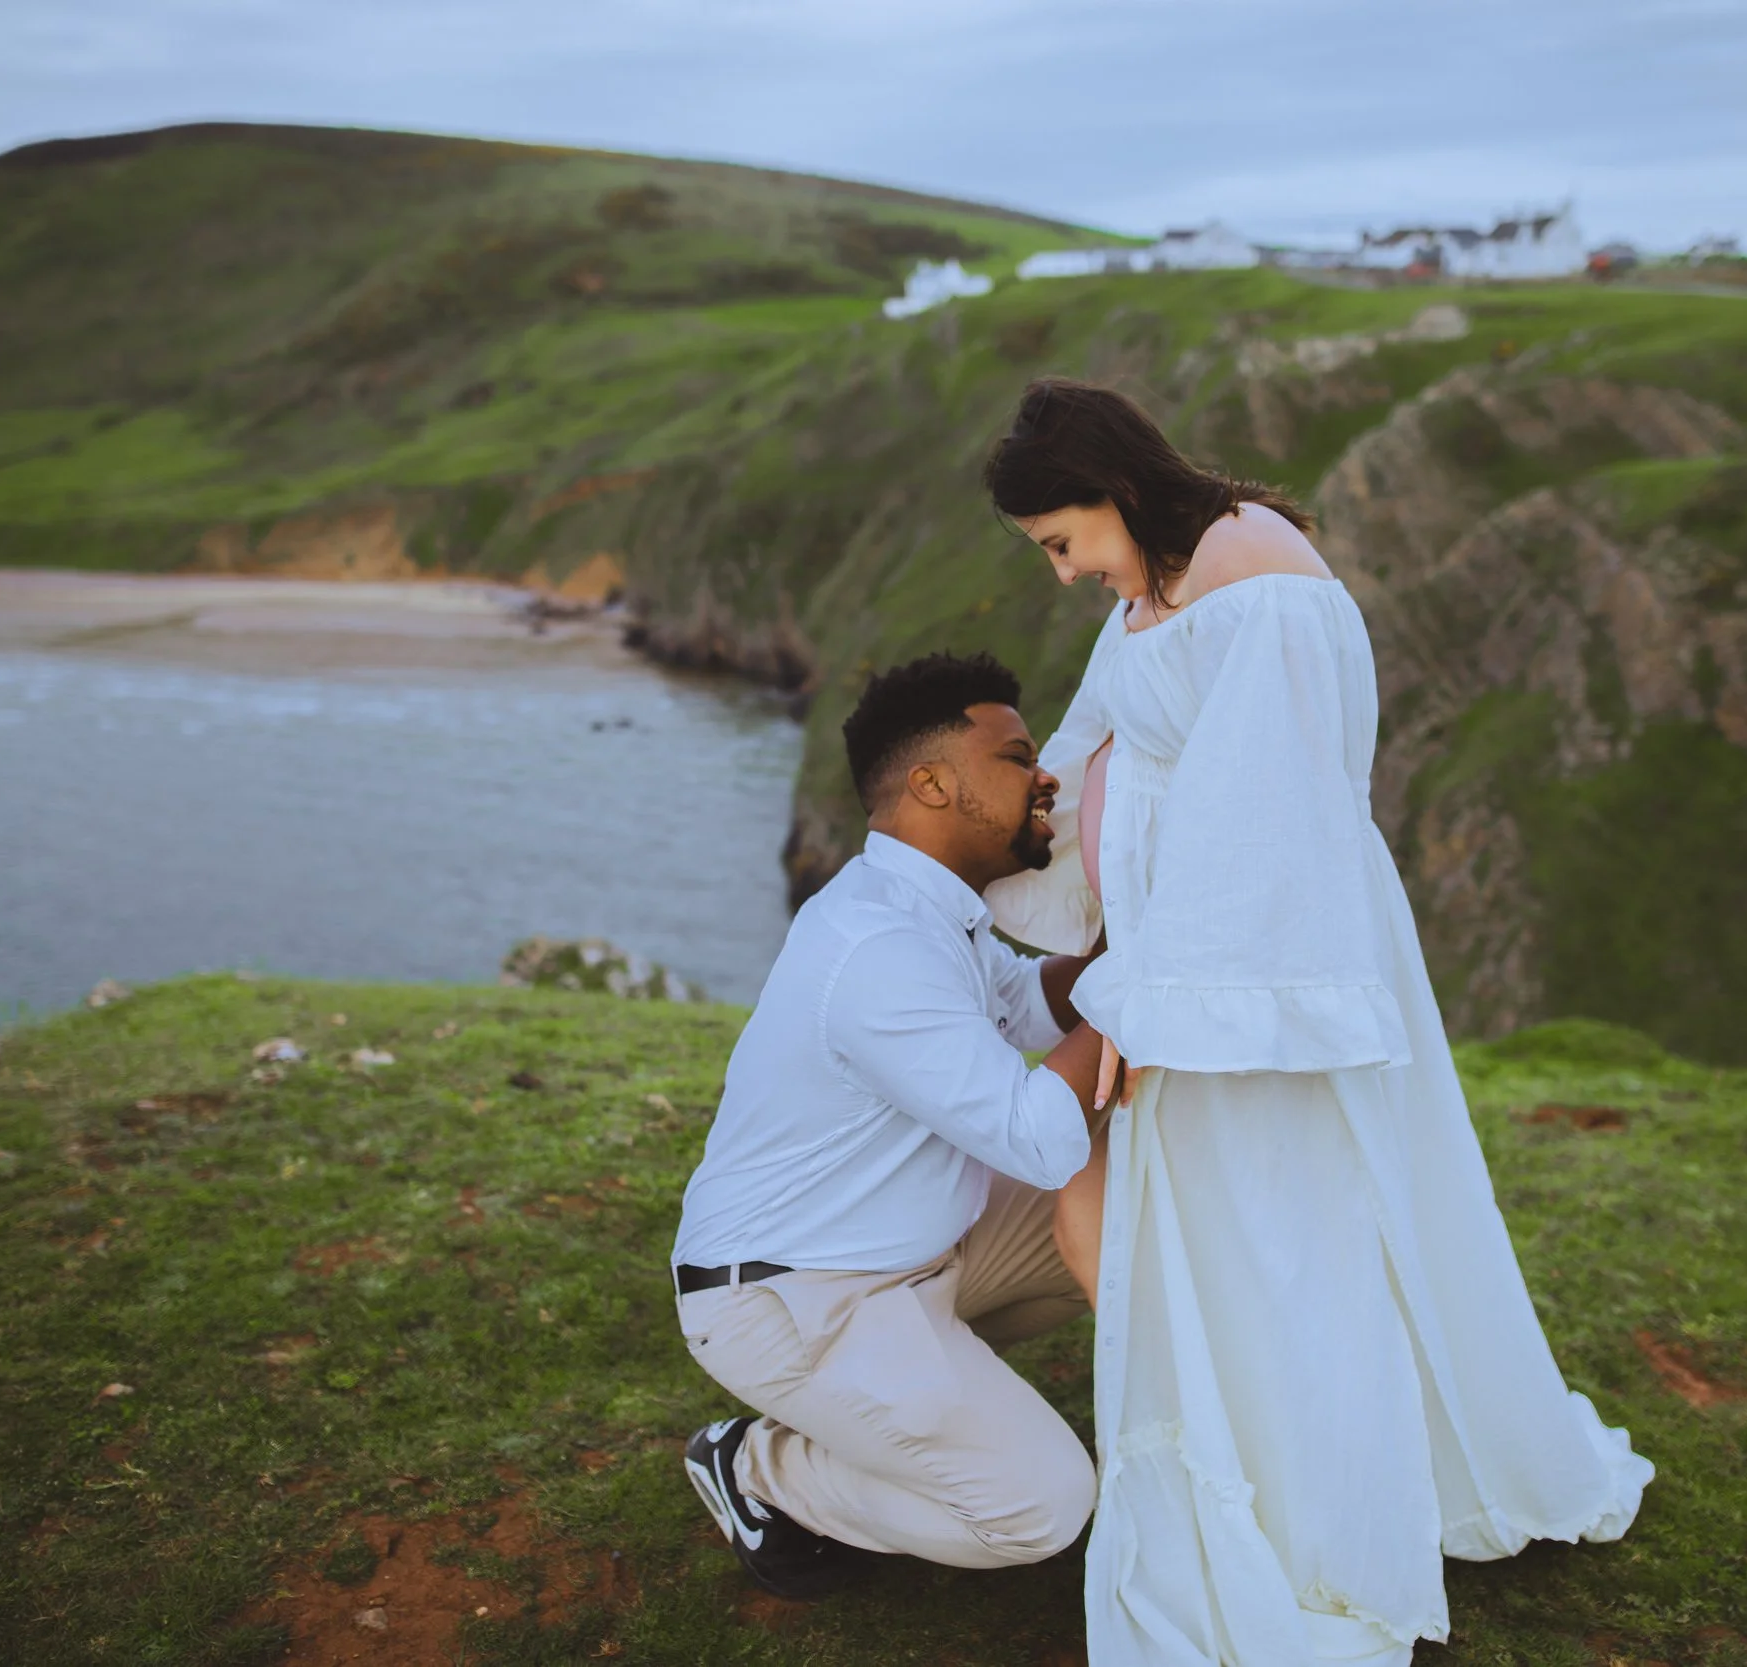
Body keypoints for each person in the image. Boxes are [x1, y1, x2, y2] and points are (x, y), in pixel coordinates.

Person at [981, 378, 1655, 1663]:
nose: (1065, 576)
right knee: (1204, 1226)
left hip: (1254, 971)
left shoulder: (1257, 570)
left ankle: (1310, 1512)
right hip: (1189, 961)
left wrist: (1143, 993)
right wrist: (968, 844)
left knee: (1286, 1221)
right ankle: (1253, 1461)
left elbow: (1269, 811)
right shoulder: (1151, 589)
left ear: (1112, 491)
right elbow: (1089, 750)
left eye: (1062, 542)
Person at [670, 650, 1117, 1599]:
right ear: (931, 781)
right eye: (1016, 757)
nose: (1046, 779)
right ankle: (761, 1467)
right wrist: (1137, 982)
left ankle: (913, 1400)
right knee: (1043, 1507)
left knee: (1143, 1188)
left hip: (908, 1253)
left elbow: (1027, 1007)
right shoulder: (879, 947)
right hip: (790, 1297)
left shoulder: (927, 911)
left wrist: (1119, 953)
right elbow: (1039, 1133)